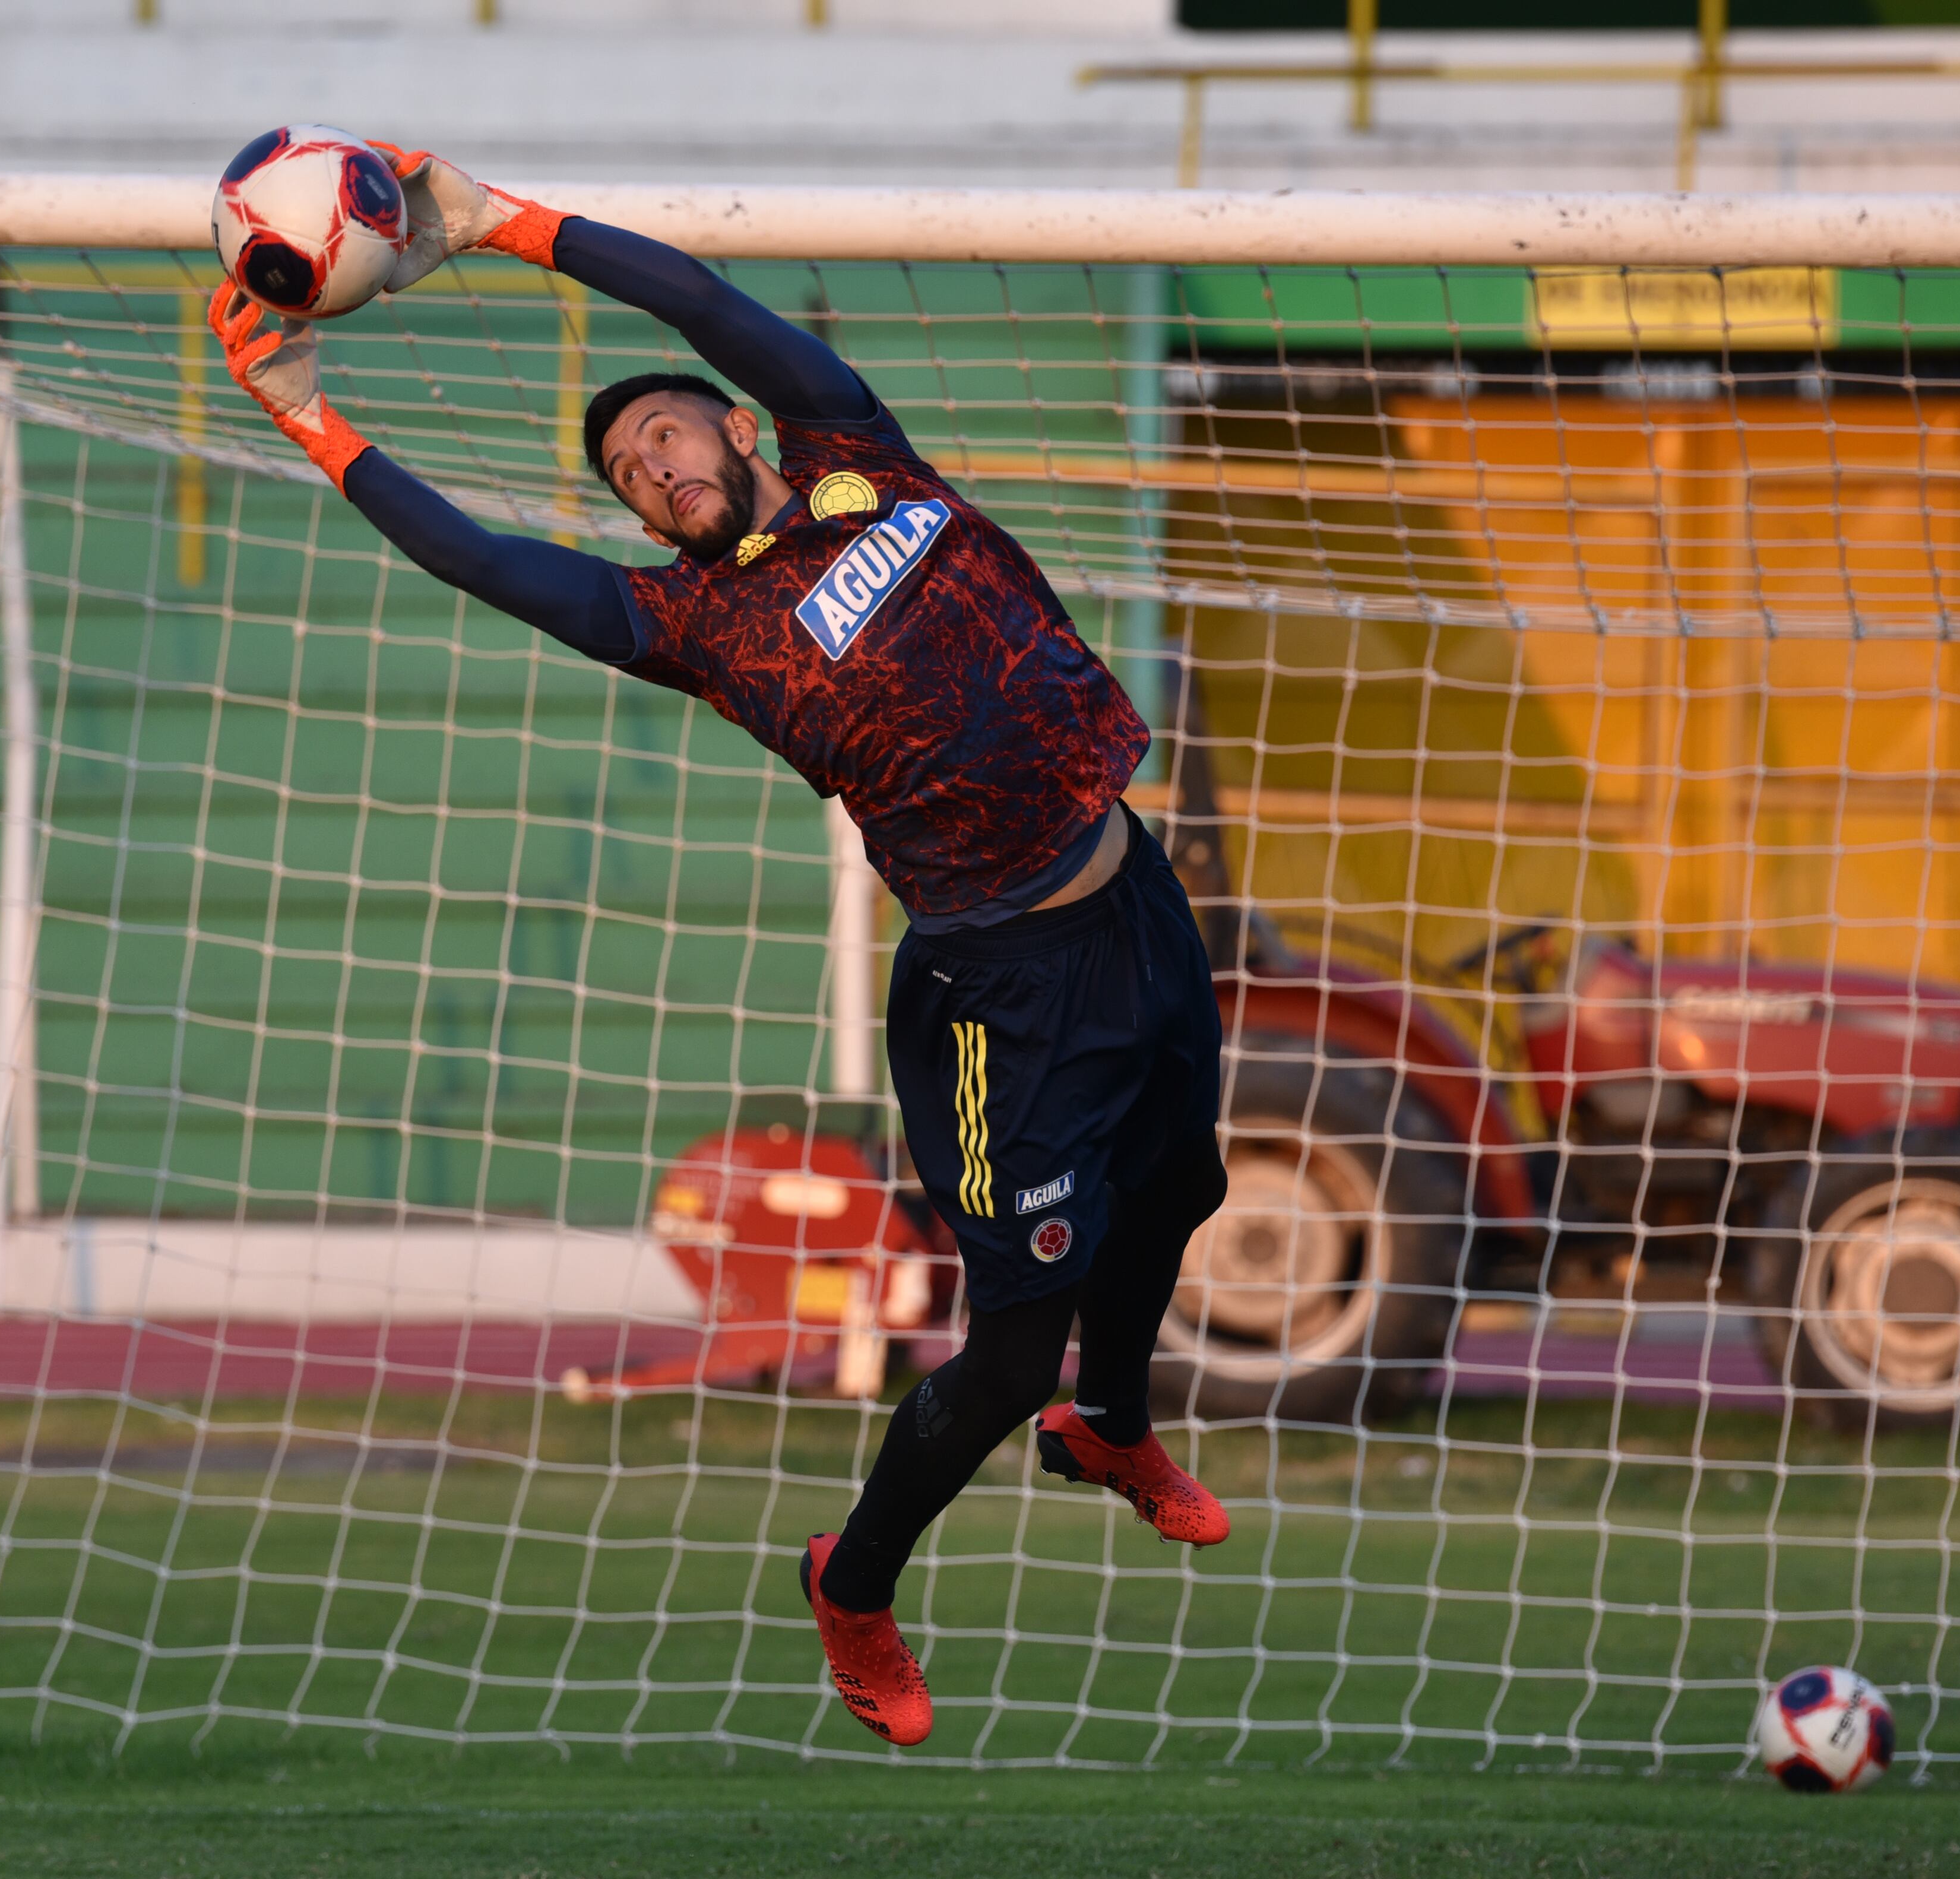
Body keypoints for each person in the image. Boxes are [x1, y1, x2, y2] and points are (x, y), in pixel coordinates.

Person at [207, 148, 1231, 1749]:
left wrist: (501, 224)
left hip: (1131, 889)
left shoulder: (857, 453)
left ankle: (1114, 1428)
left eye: (666, 432)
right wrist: (313, 419)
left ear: (737, 427)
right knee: (1012, 1338)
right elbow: (479, 561)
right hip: (996, 991)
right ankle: (856, 1579)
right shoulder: (685, 625)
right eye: (622, 468)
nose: (649, 466)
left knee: (1185, 1189)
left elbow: (697, 297)